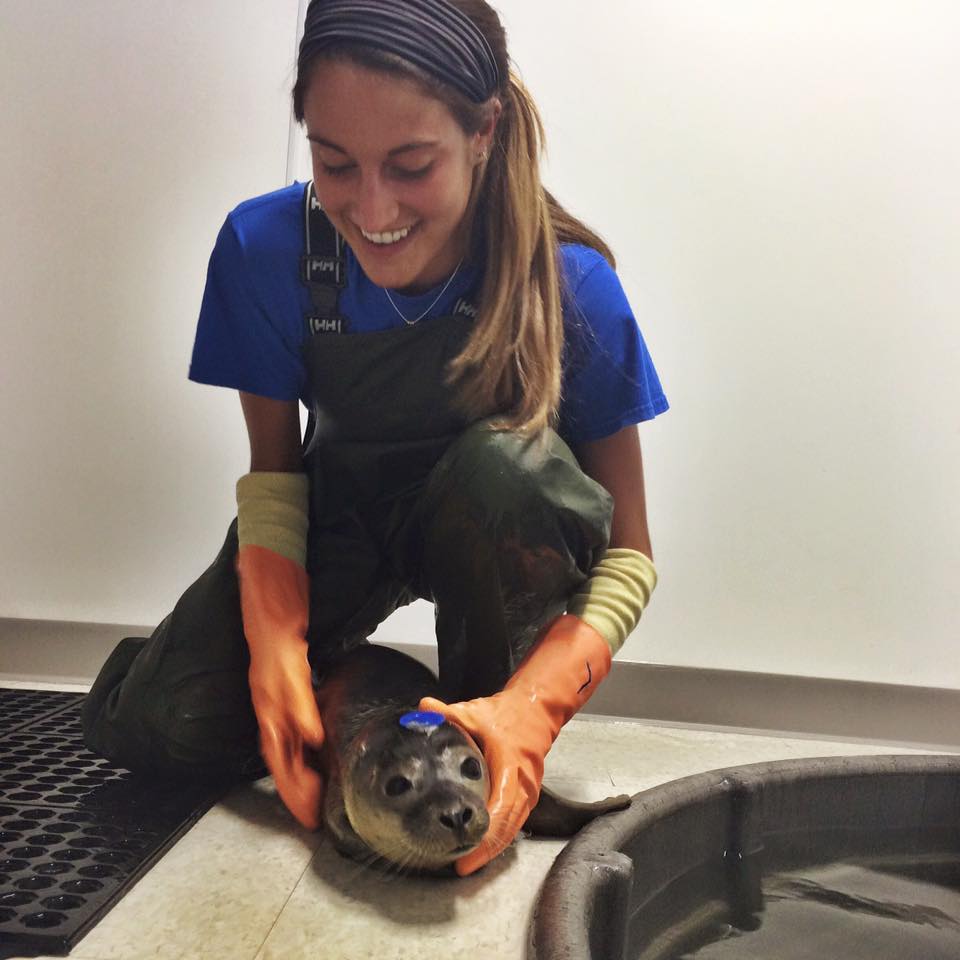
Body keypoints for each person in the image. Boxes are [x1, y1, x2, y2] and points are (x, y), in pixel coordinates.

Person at [82, 0, 668, 877]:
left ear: (483, 131)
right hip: (340, 521)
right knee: (167, 727)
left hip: (490, 528)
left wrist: (530, 712)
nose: (371, 206)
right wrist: (277, 650)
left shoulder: (570, 286)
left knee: (507, 470)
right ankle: (359, 689)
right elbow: (276, 480)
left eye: (410, 165)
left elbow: (630, 556)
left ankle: (476, 711)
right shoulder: (263, 248)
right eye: (334, 162)